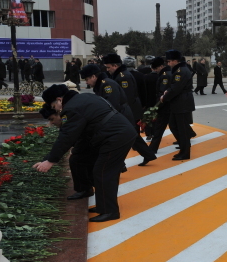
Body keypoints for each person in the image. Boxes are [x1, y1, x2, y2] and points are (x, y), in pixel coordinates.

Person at [34, 84, 136, 222]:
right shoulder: (83, 98)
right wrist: (69, 152)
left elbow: (67, 136)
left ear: (59, 100)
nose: (56, 109)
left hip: (116, 137)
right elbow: (80, 133)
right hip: (111, 134)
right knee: (78, 158)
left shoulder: (71, 108)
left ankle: (110, 211)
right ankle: (93, 197)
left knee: (103, 172)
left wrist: (50, 161)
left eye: (54, 106)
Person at [102, 53, 157, 166]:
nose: (107, 70)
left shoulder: (123, 77)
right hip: (128, 110)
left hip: (128, 111)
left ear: (115, 66)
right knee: (132, 136)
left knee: (125, 137)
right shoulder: (120, 75)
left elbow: (127, 96)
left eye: (108, 67)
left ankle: (120, 164)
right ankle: (147, 155)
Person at [161, 50, 196, 160]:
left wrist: (164, 97)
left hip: (182, 103)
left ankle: (185, 152)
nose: (168, 63)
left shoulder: (180, 71)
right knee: (174, 125)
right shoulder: (179, 69)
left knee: (182, 129)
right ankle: (183, 147)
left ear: (175, 61)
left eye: (169, 61)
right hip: (179, 103)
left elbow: (176, 88)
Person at [147, 57, 172, 153]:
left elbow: (162, 93)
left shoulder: (165, 75)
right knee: (174, 127)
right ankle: (184, 145)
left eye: (156, 68)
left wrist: (157, 106)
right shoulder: (167, 73)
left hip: (164, 106)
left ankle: (152, 148)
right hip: (169, 106)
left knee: (159, 128)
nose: (155, 71)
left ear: (161, 66)